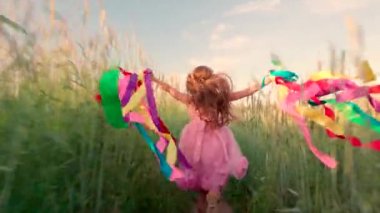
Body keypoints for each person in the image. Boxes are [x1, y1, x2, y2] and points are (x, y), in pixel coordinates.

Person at [152, 66, 272, 213]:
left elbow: (170, 90)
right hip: (215, 143)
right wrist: (266, 81)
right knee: (215, 175)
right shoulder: (217, 98)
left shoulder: (191, 100)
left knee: (200, 178)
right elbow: (246, 92)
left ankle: (205, 203)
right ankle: (212, 200)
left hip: (194, 143)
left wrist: (154, 80)